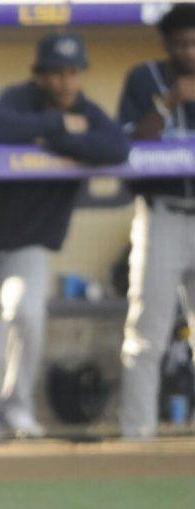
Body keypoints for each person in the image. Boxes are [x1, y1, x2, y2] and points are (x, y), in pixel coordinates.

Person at [0, 33, 130, 438]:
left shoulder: (87, 109)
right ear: (40, 75)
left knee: (27, 314)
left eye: (73, 73)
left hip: (29, 241)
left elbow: (117, 148)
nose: (66, 83)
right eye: (56, 74)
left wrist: (53, 137)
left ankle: (17, 409)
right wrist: (62, 127)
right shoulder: (17, 98)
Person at [116, 3, 195, 439]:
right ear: (167, 45)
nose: (189, 51)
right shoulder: (144, 78)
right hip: (161, 215)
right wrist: (168, 103)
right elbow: (129, 147)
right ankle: (137, 437)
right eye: (181, 43)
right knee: (146, 332)